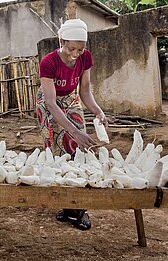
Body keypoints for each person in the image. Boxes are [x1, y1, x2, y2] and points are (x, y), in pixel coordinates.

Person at [36, 18, 108, 230]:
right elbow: (50, 102)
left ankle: (79, 209)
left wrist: (97, 111)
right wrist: (73, 131)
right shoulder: (48, 62)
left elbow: (84, 90)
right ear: (61, 41)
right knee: (56, 151)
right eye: (71, 48)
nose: (75, 53)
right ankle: (66, 206)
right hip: (49, 103)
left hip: (71, 99)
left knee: (79, 150)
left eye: (80, 49)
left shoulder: (85, 58)